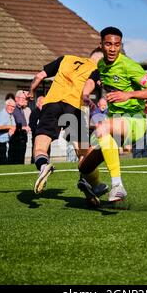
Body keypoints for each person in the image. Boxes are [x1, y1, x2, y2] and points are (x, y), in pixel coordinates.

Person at [78, 26, 147, 204]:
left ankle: (117, 186)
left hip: (135, 120)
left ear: (120, 45)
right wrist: (86, 96)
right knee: (84, 166)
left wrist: (128, 94)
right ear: (101, 45)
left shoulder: (129, 65)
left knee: (102, 127)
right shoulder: (101, 65)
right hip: (115, 123)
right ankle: (97, 188)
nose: (112, 48)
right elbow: (93, 78)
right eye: (108, 44)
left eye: (116, 45)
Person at [29, 47, 107, 202]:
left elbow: (39, 76)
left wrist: (31, 92)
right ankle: (90, 182)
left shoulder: (66, 58)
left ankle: (44, 166)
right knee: (83, 152)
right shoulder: (97, 69)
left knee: (40, 146)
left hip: (52, 104)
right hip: (74, 108)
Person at [0, 99, 16, 165]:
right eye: (11, 106)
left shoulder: (10, 115)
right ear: (6, 105)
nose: (12, 108)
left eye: (13, 107)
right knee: (0, 163)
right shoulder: (3, 114)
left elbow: (14, 126)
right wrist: (10, 127)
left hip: (3, 143)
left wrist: (12, 129)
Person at [8, 90, 31, 165]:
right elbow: (11, 124)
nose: (24, 100)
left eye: (25, 99)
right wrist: (24, 128)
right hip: (16, 139)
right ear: (16, 98)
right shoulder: (13, 108)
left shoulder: (21, 109)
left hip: (22, 138)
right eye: (22, 98)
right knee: (15, 161)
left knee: (21, 161)